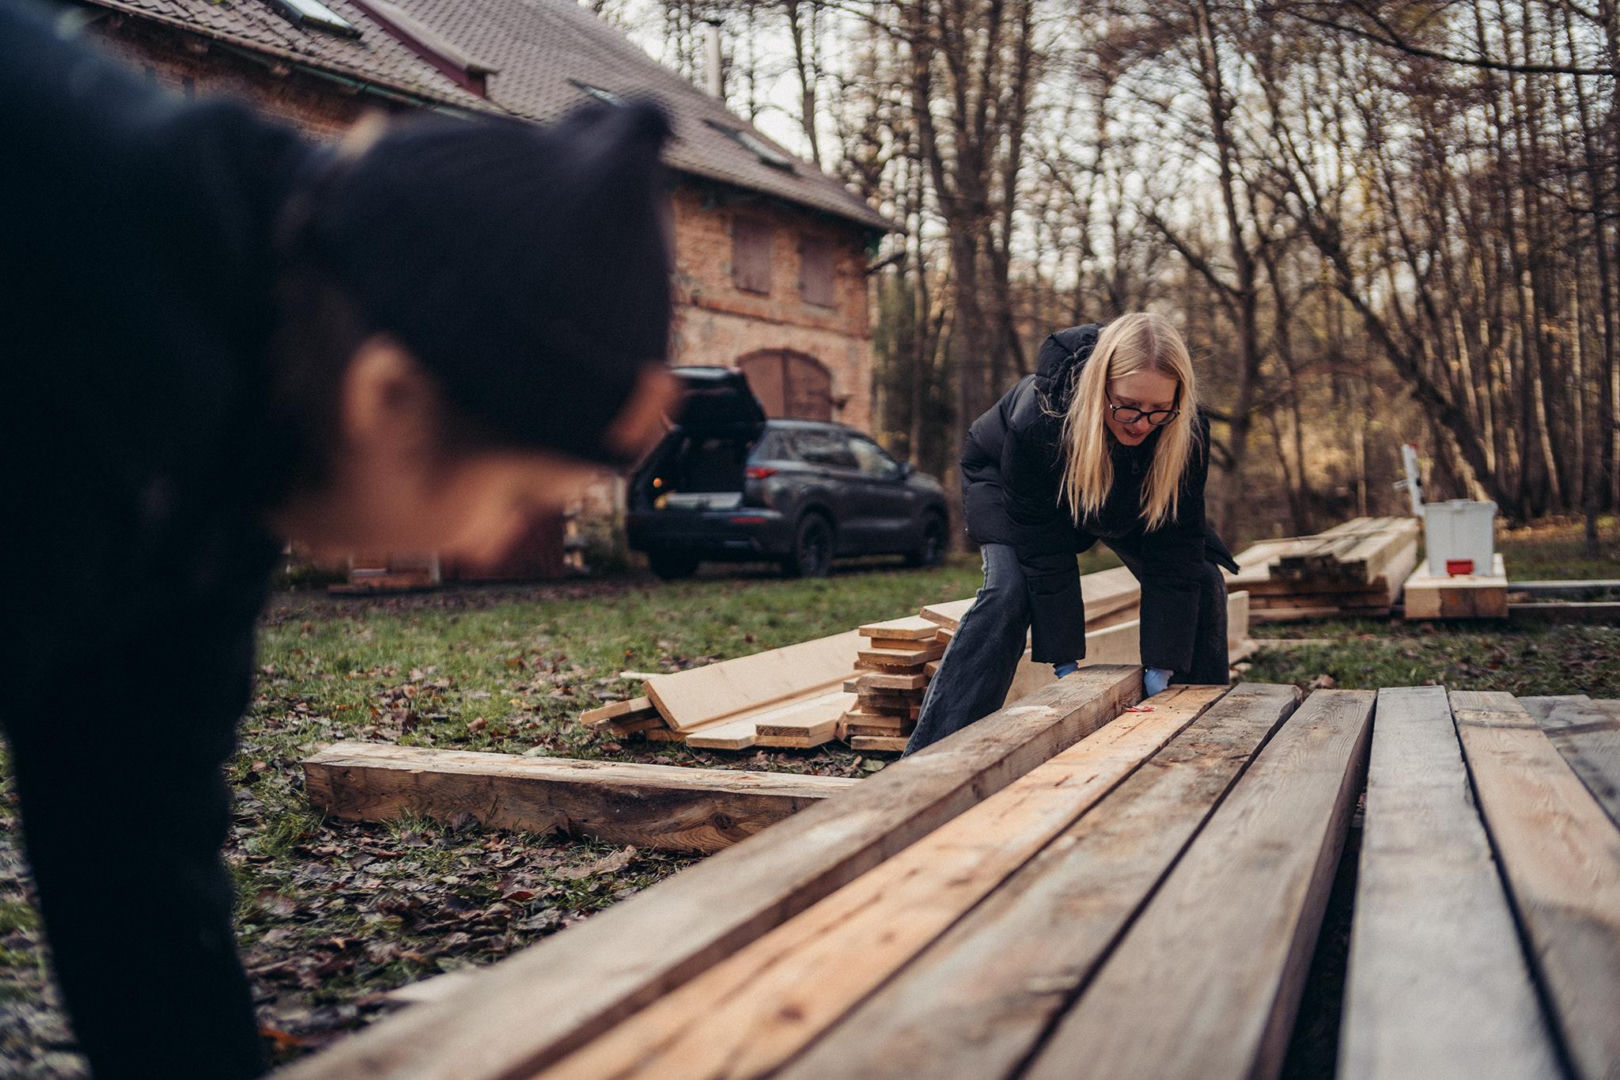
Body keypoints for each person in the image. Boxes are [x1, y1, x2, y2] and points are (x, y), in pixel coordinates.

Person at [0, 5, 678, 1076]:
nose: (499, 545)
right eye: (515, 495)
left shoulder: (249, 382)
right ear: (388, 400)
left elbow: (133, 836)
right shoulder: (67, 316)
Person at [906, 313, 1239, 754]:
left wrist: (1164, 662)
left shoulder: (1184, 431)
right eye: (1128, 405)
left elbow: (1175, 547)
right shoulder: (1041, 417)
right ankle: (934, 752)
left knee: (1203, 580)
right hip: (1007, 481)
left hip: (1113, 486)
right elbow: (1045, 549)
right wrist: (1064, 657)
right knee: (1010, 592)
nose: (1142, 423)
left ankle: (1197, 739)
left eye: (1159, 409)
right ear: (1100, 386)